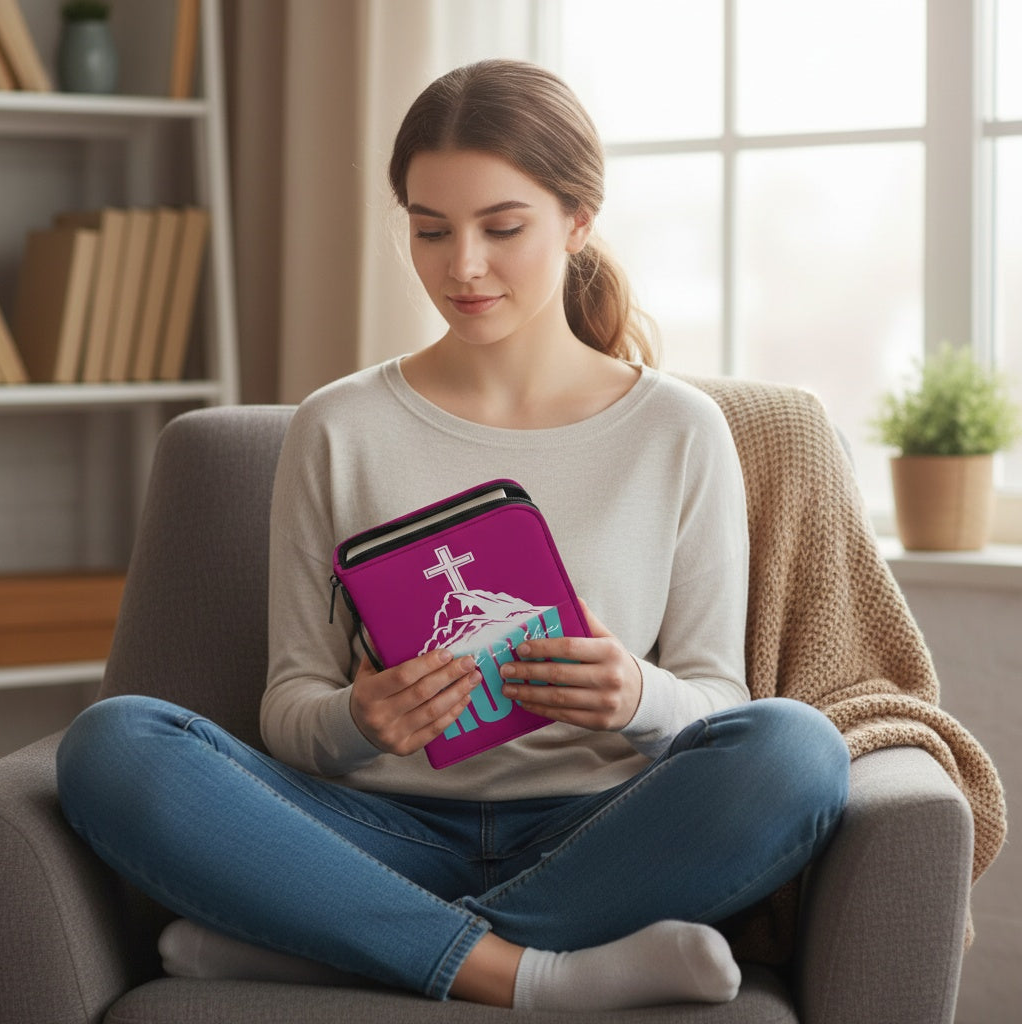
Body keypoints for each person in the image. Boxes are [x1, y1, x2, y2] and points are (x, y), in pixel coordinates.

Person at [56, 59, 849, 1012]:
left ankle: (346, 943)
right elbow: (289, 706)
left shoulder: (678, 430)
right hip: (373, 824)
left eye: (501, 228)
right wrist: (359, 720)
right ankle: (524, 972)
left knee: (799, 750)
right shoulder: (337, 425)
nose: (461, 265)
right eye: (430, 231)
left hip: (595, 829)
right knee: (113, 741)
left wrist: (637, 693)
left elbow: (719, 702)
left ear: (578, 221)